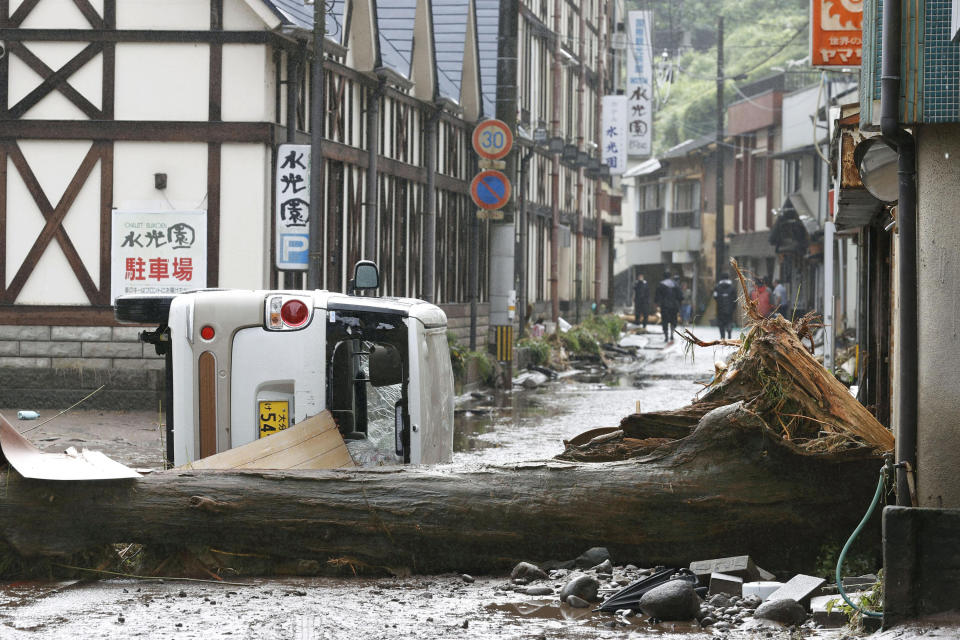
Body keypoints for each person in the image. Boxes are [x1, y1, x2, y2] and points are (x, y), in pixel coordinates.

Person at [654, 270, 684, 344]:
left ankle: (666, 336)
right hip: (674, 306)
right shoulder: (675, 284)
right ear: (670, 276)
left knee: (665, 320)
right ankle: (672, 334)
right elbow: (681, 296)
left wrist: (657, 303)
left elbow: (657, 296)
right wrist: (679, 303)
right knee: (673, 320)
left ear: (663, 276)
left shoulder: (661, 285)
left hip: (664, 306)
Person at [713, 272, 736, 340]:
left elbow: (715, 296)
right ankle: (729, 330)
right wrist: (733, 307)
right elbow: (735, 298)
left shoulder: (717, 287)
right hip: (729, 308)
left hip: (720, 308)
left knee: (721, 323)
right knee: (729, 320)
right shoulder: (732, 287)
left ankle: (722, 336)